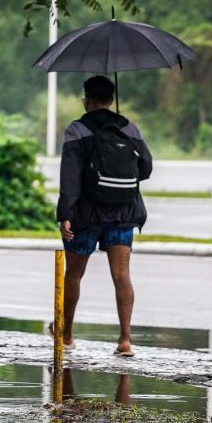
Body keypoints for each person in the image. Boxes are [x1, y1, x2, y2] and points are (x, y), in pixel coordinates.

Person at [55, 75, 153, 357]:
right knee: (122, 275)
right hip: (123, 211)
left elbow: (70, 176)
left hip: (85, 214)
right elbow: (145, 167)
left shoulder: (77, 130)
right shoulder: (129, 127)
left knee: (74, 274)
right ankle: (125, 340)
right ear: (111, 100)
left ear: (86, 99)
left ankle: (67, 336)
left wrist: (65, 214)